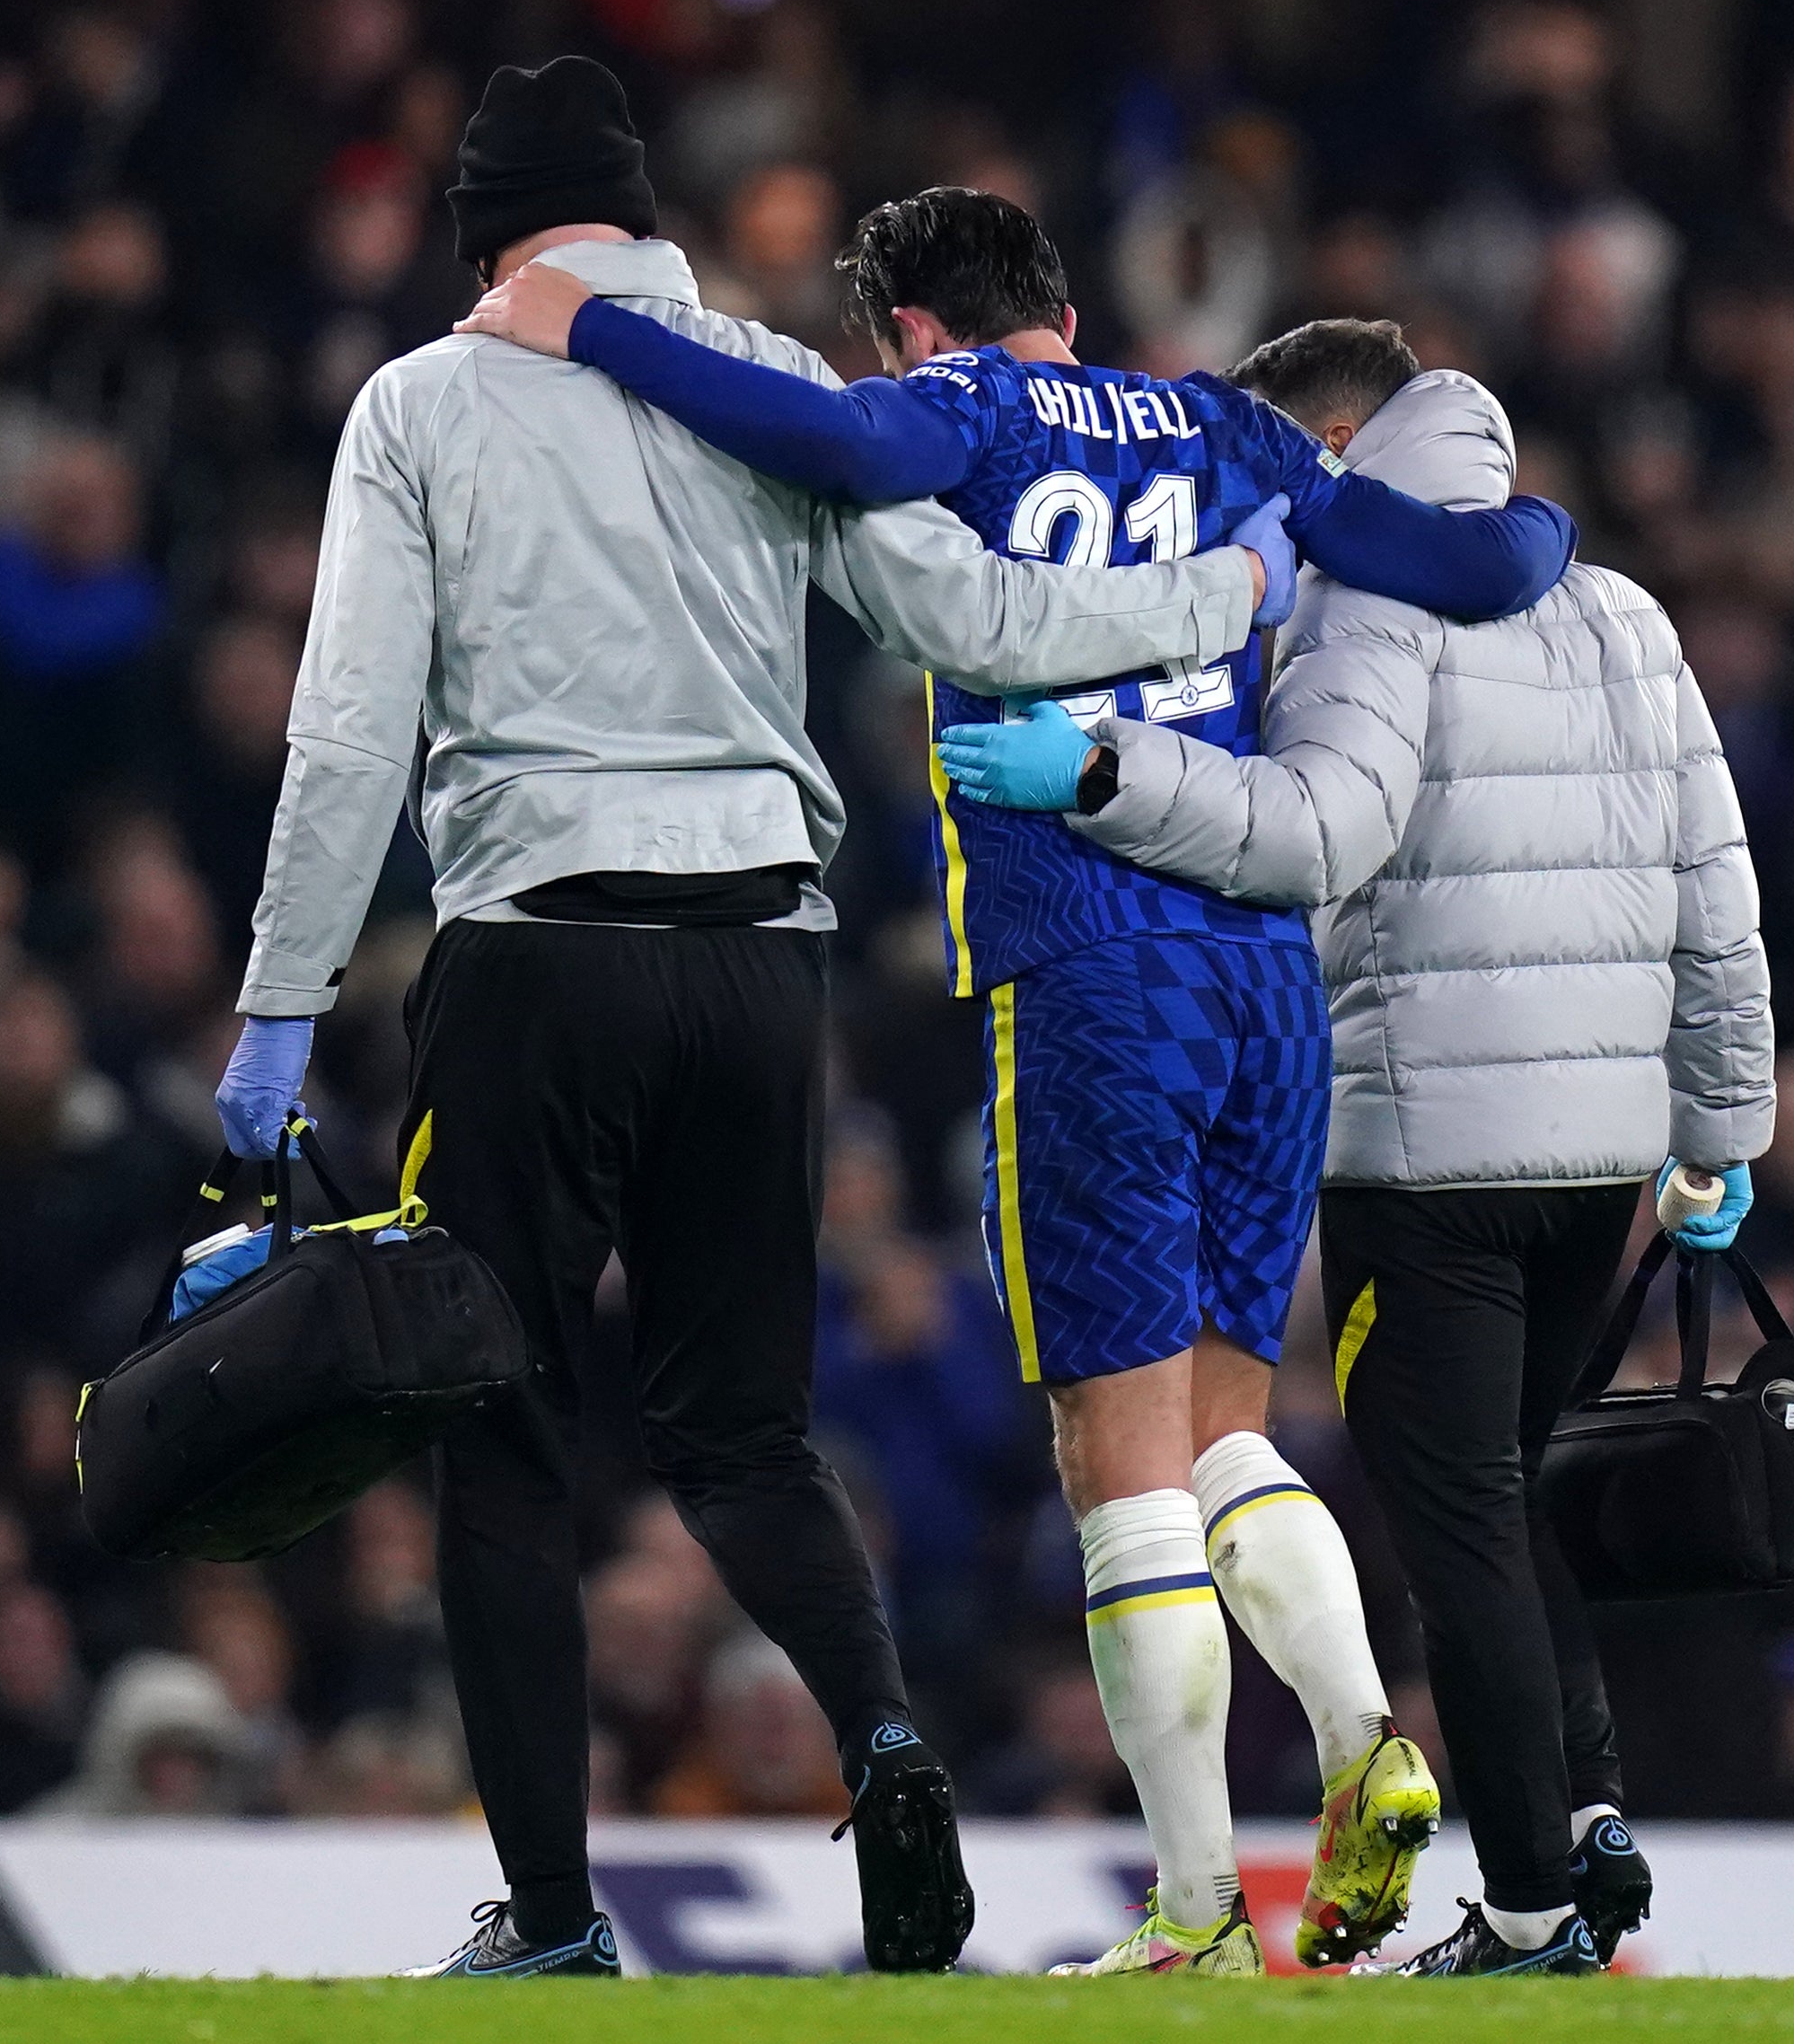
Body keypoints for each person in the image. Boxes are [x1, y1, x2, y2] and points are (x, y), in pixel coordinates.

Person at [210, 59, 1291, 1982]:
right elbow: (981, 622)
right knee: (746, 1438)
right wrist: (1230, 578)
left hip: (537, 956)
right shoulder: (782, 384)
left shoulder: (422, 408)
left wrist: (278, 1020)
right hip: (754, 965)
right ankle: (884, 1736)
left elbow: (352, 738)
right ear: (641, 221)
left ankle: (550, 1922)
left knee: (510, 1440)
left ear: (485, 239)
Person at [468, 196, 1574, 1975]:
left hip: (1085, 967)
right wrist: (1546, 526)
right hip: (1262, 980)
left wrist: (582, 327)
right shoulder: (1228, 423)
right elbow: (1481, 571)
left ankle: (1202, 1913)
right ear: (1066, 303)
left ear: (916, 327)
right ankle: (1369, 1736)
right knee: (1231, 1432)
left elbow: (823, 440)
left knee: (1114, 1461)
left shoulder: (962, 412)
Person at [939, 328, 1774, 1975]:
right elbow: (1715, 880)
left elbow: (1320, 826)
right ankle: (1587, 1814)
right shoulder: (1623, 611)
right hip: (1599, 1155)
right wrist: (1719, 1130)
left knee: (1455, 1520)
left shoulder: (1364, 609)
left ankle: (1528, 1903)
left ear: (1339, 432)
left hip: (1431, 1154)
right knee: (1512, 1492)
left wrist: (1099, 771)